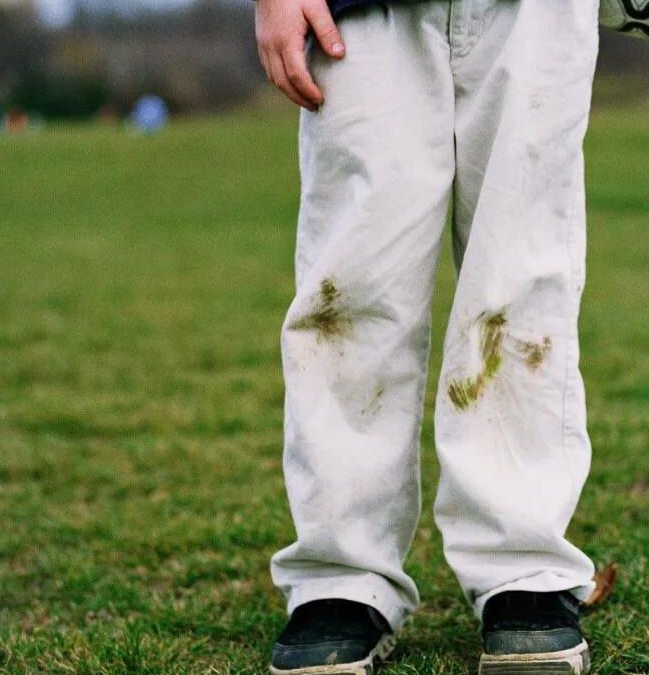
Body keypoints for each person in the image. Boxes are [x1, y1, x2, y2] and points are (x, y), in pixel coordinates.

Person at [255, 0, 600, 671]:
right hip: (354, 10)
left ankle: (522, 569)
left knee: (520, 276)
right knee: (351, 284)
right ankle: (341, 574)